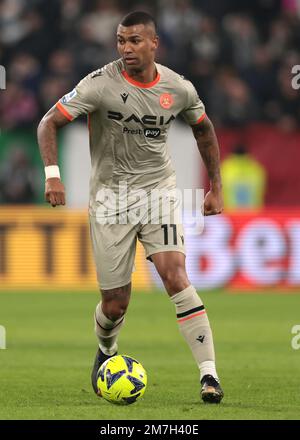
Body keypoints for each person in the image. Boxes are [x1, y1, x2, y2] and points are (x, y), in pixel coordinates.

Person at [37, 11, 224, 403]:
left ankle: (209, 376)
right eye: (121, 40)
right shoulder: (99, 84)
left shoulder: (178, 88)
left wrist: (215, 188)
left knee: (175, 275)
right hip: (110, 199)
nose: (126, 48)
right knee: (116, 301)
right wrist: (53, 174)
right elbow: (48, 122)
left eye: (134, 41)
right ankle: (106, 350)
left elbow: (204, 129)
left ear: (154, 43)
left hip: (158, 193)